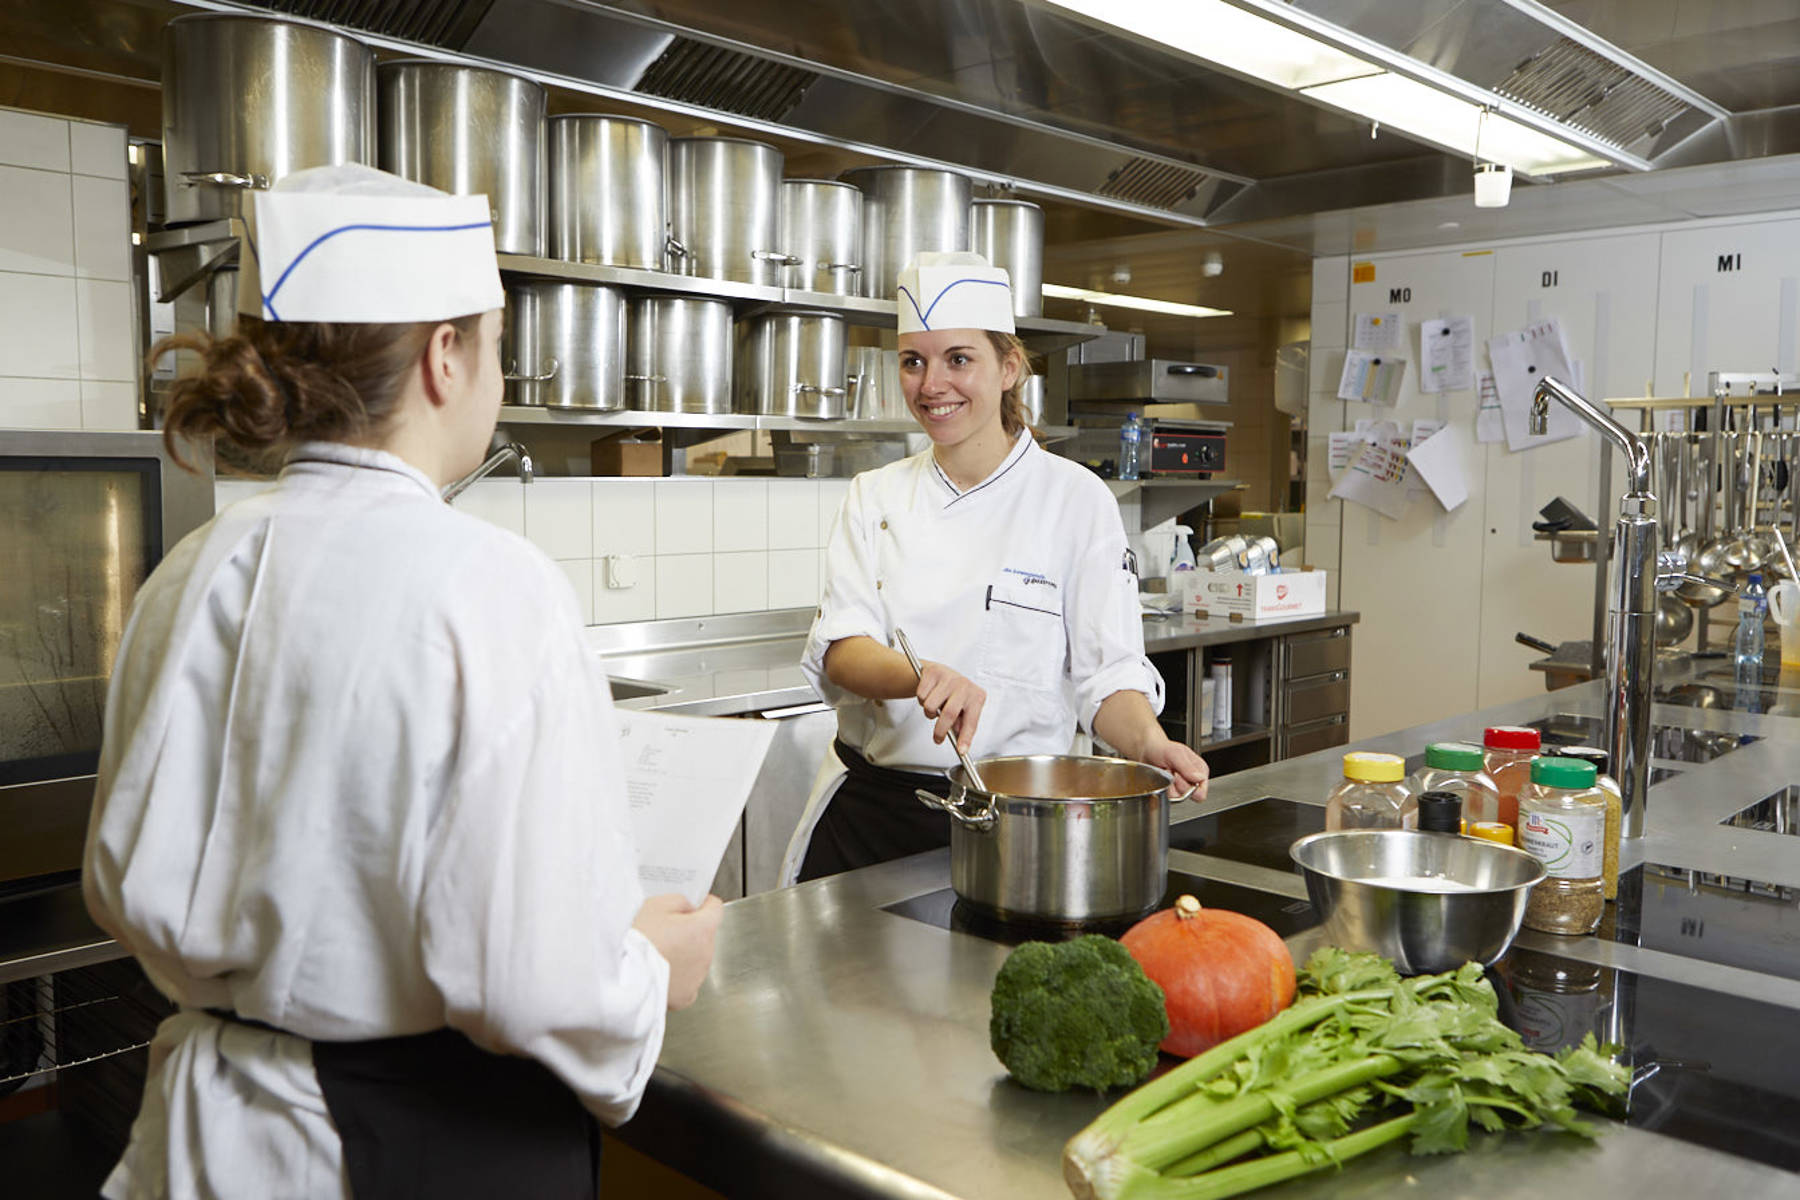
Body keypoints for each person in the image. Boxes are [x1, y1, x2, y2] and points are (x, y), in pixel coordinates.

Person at [82, 165, 721, 1199]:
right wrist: (649, 970)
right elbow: (525, 981)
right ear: (444, 356)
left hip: (205, 1136)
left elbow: (121, 877)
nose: (498, 377)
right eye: (497, 344)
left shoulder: (191, 570)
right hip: (415, 1147)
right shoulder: (489, 582)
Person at [784, 252, 1209, 883]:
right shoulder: (874, 495)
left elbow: (1107, 672)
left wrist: (1148, 744)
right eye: (913, 361)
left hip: (1024, 825)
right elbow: (843, 651)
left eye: (959, 359)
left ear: (1009, 367)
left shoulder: (1074, 498)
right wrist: (921, 673)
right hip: (871, 821)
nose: (932, 385)